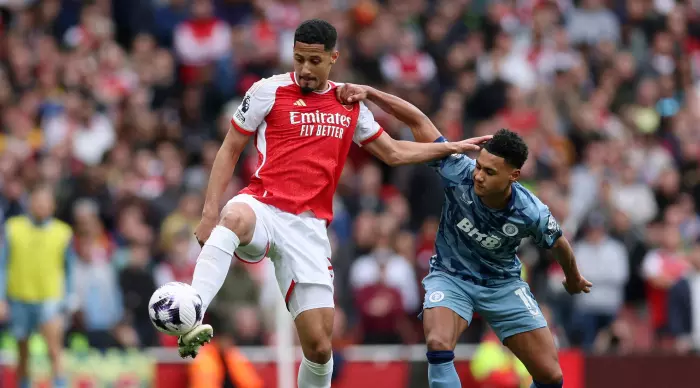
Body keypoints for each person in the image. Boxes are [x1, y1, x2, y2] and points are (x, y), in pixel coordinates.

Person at [175, 19, 489, 388]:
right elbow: (229, 148)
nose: (305, 69)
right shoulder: (266, 91)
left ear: (332, 58)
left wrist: (450, 146)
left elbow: (393, 152)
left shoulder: (348, 102)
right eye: (298, 59)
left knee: (321, 348)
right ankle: (191, 315)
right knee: (234, 216)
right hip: (263, 206)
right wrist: (209, 213)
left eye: (314, 61)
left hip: (307, 228)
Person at [336, 84, 592, 388]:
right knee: (438, 341)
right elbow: (418, 121)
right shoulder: (458, 169)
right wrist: (372, 94)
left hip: (502, 284)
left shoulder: (531, 211)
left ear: (513, 176)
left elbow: (559, 243)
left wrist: (573, 277)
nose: (479, 176)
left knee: (551, 376)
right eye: (480, 166)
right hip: (450, 276)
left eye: (490, 172)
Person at [0, 184, 76, 388]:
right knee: (22, 353)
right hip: (19, 297)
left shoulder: (63, 232)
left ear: (53, 206)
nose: (42, 206)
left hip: (50, 298)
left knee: (54, 350)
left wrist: (70, 298)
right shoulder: (13, 228)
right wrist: (1, 298)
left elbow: (69, 269)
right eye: (38, 202)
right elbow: (3, 265)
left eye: (46, 203)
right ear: (30, 203)